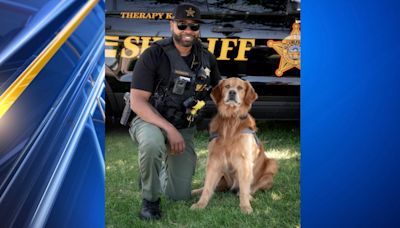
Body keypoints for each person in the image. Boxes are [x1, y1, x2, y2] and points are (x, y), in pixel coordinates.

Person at [128, 3, 221, 220]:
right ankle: (150, 201)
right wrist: (169, 129)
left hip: (184, 125)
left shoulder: (206, 57)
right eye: (182, 25)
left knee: (179, 195)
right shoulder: (154, 54)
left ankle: (150, 173)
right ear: (172, 25)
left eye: (194, 26)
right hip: (149, 120)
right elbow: (137, 102)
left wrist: (238, 105)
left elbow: (217, 91)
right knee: (152, 143)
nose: (188, 31)